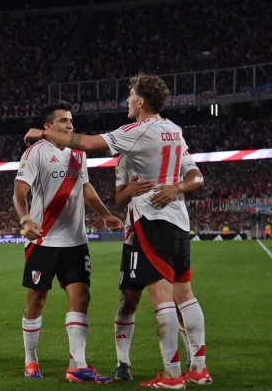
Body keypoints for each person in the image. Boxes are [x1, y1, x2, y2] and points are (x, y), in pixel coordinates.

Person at [24, 72, 210, 388]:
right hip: (180, 221)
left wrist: (46, 134)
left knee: (162, 298)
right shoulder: (174, 131)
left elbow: (89, 142)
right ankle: (199, 369)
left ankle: (172, 375)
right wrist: (177, 187)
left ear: (140, 101)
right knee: (185, 295)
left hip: (151, 220)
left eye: (130, 96)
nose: (127, 101)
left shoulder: (138, 131)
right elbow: (196, 175)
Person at [13, 101, 123, 383]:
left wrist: (106, 214)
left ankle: (78, 366)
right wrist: (25, 219)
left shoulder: (78, 153)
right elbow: (20, 190)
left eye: (71, 120)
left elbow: (85, 187)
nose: (69, 125)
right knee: (36, 300)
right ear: (48, 127)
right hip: (44, 240)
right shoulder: (36, 152)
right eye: (63, 121)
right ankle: (30, 361)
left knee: (81, 296)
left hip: (76, 240)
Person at [112, 151, 197, 382]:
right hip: (135, 234)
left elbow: (197, 177)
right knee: (129, 299)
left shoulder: (175, 146)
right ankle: (123, 362)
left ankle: (192, 360)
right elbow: (119, 199)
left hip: (167, 229)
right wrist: (130, 190)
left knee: (176, 299)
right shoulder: (126, 156)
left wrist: (177, 187)